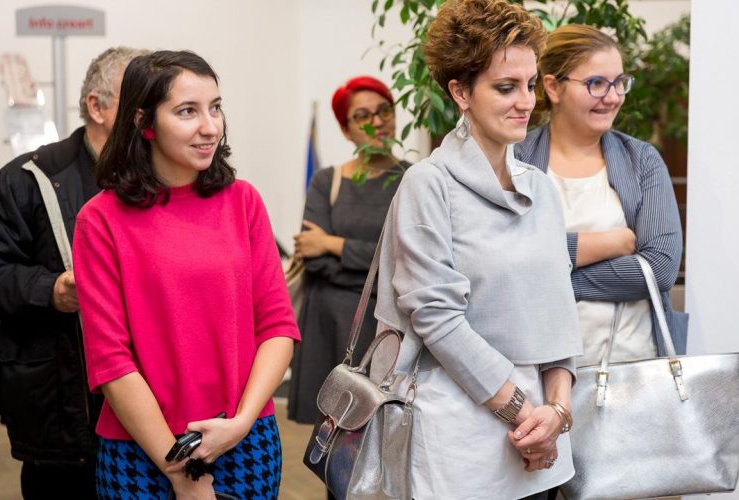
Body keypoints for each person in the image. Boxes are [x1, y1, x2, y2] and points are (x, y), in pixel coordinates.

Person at [373, 1, 584, 498]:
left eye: (530, 85)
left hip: (540, 439)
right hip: (459, 444)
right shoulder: (429, 184)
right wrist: (526, 414)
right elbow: (437, 318)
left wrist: (558, 411)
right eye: (506, 87)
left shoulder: (540, 188)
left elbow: (559, 313)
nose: (525, 102)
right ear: (460, 92)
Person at [72, 50, 300, 499]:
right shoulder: (100, 221)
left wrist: (241, 423)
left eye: (215, 107)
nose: (210, 127)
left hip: (245, 440)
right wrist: (181, 473)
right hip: (143, 449)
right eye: (187, 111)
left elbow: (277, 326)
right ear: (145, 122)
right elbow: (111, 361)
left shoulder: (243, 202)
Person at [0, 46, 146, 499]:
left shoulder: (166, 181)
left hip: (154, 415)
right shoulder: (25, 180)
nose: (152, 115)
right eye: (140, 101)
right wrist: (50, 289)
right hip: (61, 414)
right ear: (97, 107)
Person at [515, 24, 687, 366]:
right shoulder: (516, 160)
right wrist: (612, 243)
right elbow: (505, 259)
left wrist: (558, 278)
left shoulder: (642, 161)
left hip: (634, 370)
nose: (613, 97)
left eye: (619, 82)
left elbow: (660, 269)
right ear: (553, 87)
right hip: (537, 371)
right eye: (596, 83)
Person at [287, 76, 408, 425]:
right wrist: (378, 267)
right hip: (330, 323)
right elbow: (315, 261)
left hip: (388, 323)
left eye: (384, 111)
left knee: (384, 429)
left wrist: (333, 244)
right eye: (362, 116)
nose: (376, 122)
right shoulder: (327, 181)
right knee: (330, 435)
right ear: (346, 129)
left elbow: (408, 261)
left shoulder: (414, 179)